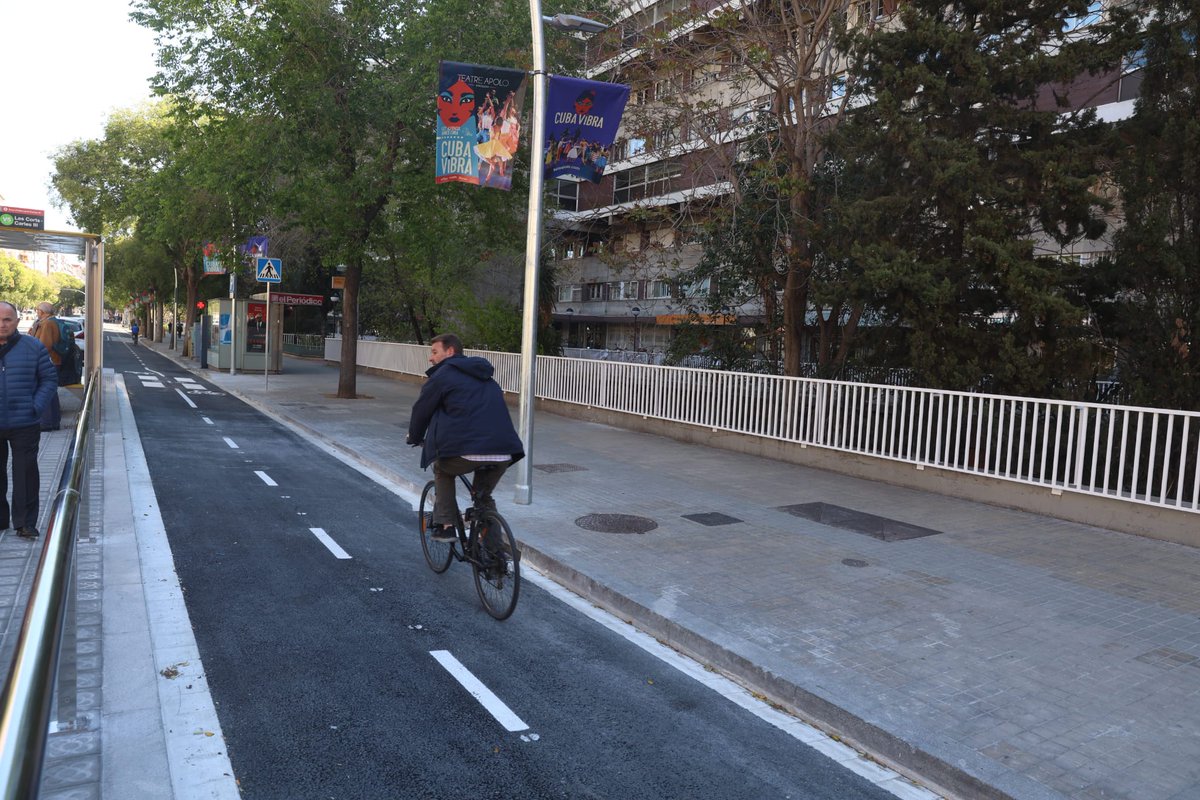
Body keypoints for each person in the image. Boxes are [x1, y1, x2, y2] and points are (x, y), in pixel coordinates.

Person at [406, 333, 524, 543]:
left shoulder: (443, 375)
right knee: (482, 497)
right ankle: (494, 553)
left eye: (434, 352)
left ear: (450, 351)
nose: (430, 358)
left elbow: (421, 410)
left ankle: (446, 526)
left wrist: (414, 436)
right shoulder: (485, 376)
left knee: (442, 468)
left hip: (468, 451)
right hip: (504, 451)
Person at [0, 301, 59, 540]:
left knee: (25, 473)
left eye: (7, 319)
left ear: (16, 321)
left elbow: (48, 380)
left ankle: (25, 523)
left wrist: (36, 407)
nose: (2, 324)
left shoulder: (33, 347)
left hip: (25, 422)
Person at [29, 302, 63, 431]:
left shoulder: (47, 323)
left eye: (37, 310)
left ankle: (47, 422)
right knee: (51, 392)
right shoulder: (45, 322)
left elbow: (43, 345)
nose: (36, 312)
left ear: (42, 312)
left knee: (45, 391)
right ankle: (53, 421)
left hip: (48, 362)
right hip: (52, 361)